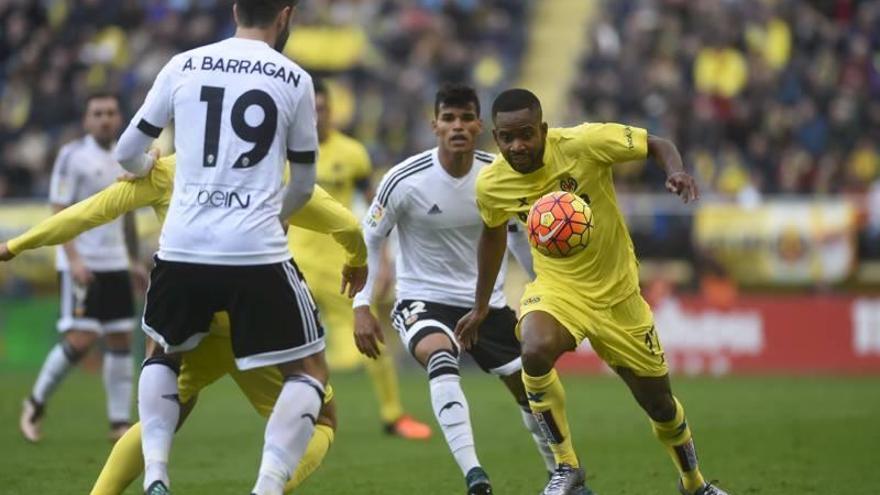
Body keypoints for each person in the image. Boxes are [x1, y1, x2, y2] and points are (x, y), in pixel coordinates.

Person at [0, 153, 365, 494]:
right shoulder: (273, 169)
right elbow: (346, 223)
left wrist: (14, 245)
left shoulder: (168, 169)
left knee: (163, 413)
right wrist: (357, 259)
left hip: (193, 316)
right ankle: (268, 487)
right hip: (254, 317)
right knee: (323, 419)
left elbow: (89, 212)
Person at [455, 88, 730, 495]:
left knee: (660, 406)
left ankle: (694, 484)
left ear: (544, 130)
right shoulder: (492, 183)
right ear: (496, 138)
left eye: (527, 134)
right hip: (558, 289)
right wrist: (480, 305)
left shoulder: (584, 143)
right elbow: (492, 237)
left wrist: (674, 170)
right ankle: (567, 467)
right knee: (533, 350)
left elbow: (657, 144)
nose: (518, 146)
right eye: (507, 138)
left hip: (619, 296)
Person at [113, 1, 322, 493]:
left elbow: (126, 152)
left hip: (183, 244)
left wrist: (147, 169)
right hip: (255, 249)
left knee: (163, 353)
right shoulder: (295, 79)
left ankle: (157, 475)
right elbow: (305, 185)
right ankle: (267, 487)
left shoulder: (183, 64)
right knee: (308, 370)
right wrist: (274, 217)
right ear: (285, 15)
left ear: (234, 9)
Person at [353, 84, 565, 495]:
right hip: (422, 299)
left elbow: (518, 234)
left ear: (479, 125)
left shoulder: (498, 176)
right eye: (448, 118)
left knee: (534, 392)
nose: (458, 126)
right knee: (440, 357)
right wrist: (362, 304)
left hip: (486, 304)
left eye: (466, 118)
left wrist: (548, 286)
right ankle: (475, 476)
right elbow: (372, 236)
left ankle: (563, 475)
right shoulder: (404, 179)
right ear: (434, 125)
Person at [288, 79, 431, 439]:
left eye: (323, 109)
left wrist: (382, 260)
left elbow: (375, 209)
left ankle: (393, 414)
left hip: (341, 268)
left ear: (332, 112)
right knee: (283, 344)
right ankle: (291, 419)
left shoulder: (352, 153)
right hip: (294, 264)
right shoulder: (284, 154)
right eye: (312, 110)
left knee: (371, 340)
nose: (318, 116)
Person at [20, 92, 142, 444]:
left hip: (116, 262)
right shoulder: (72, 156)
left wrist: (132, 259)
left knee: (120, 338)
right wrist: (72, 259)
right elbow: (59, 209)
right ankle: (35, 402)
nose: (105, 118)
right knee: (83, 337)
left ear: (119, 118)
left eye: (110, 112)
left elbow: (128, 213)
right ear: (87, 120)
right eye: (98, 113)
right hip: (83, 263)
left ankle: (118, 422)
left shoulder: (126, 156)